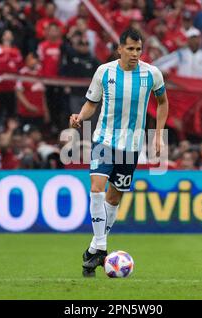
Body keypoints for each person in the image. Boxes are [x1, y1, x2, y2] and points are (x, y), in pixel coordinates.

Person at [69, 28, 169, 277]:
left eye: (139, 49)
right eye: (131, 49)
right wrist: (80, 117)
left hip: (132, 146)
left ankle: (93, 250)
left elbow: (163, 102)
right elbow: (92, 103)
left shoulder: (152, 74)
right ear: (120, 49)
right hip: (104, 141)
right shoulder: (104, 72)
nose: (135, 54)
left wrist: (158, 134)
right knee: (96, 188)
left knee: (113, 199)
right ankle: (101, 246)